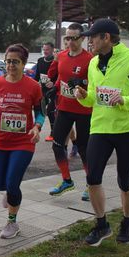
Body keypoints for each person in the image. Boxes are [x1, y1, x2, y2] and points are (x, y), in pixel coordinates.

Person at [75, 19, 129, 246]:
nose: (89, 41)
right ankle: (101, 224)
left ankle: (127, 220)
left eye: (92, 36)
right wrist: (85, 97)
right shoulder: (93, 63)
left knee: (125, 180)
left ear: (106, 37)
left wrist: (126, 100)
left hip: (128, 128)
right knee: (92, 178)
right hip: (100, 127)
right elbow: (95, 96)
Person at [0, 44, 44, 239]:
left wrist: (37, 127)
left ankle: (12, 223)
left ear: (24, 63)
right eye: (8, 61)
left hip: (24, 142)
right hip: (0, 140)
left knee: (13, 184)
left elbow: (41, 113)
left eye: (15, 62)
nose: (10, 65)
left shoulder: (33, 86)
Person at [47, 24, 94, 201]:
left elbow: (95, 82)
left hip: (84, 110)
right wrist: (55, 88)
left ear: (82, 38)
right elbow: (60, 77)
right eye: (67, 38)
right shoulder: (61, 56)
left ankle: (91, 184)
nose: (70, 42)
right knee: (57, 145)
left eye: (74, 38)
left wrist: (83, 82)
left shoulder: (90, 59)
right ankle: (67, 181)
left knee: (84, 148)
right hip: (65, 107)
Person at [33, 41, 56, 141]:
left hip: (53, 90)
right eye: (44, 49)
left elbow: (60, 75)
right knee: (39, 109)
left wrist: (54, 83)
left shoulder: (56, 61)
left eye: (47, 49)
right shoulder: (40, 60)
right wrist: (32, 85)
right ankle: (37, 128)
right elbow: (37, 76)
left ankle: (53, 132)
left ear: (52, 50)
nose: (45, 51)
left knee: (50, 111)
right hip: (43, 90)